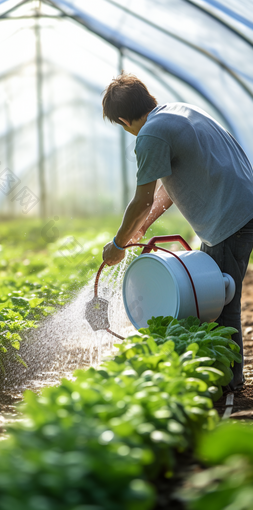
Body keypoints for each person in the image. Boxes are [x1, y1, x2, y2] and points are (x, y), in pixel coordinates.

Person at [101, 72, 253, 392]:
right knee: (216, 292)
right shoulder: (180, 111)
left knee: (218, 299)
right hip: (241, 206)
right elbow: (165, 191)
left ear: (124, 119)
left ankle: (228, 381)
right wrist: (144, 224)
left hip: (229, 218)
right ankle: (227, 375)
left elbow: (142, 198)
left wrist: (118, 243)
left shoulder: (151, 134)